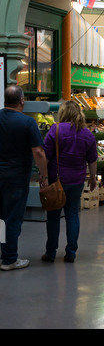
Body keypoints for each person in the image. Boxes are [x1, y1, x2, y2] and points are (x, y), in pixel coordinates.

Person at [42, 100, 98, 263]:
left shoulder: (56, 129)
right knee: (72, 215)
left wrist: (43, 176)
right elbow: (92, 160)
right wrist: (93, 178)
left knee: (53, 216)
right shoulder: (87, 134)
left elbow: (46, 155)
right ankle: (71, 252)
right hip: (77, 181)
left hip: (56, 180)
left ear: (63, 113)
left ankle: (51, 253)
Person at [0, 85, 48, 271]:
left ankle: (4, 255)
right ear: (22, 100)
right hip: (16, 178)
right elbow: (38, 152)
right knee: (11, 217)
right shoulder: (27, 122)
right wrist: (44, 175)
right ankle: (10, 259)